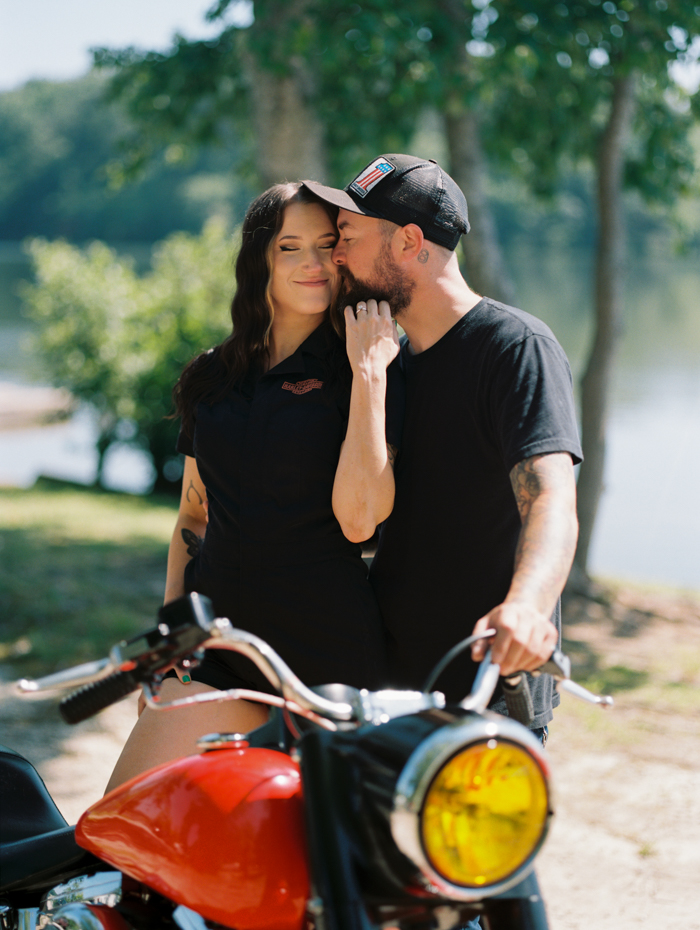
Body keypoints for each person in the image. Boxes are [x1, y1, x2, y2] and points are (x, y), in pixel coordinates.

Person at [106, 182, 402, 792]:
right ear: (259, 260)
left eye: (327, 245)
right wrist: (168, 646)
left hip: (328, 652)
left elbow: (361, 521)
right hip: (218, 645)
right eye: (291, 247)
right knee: (131, 819)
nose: (314, 264)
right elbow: (193, 516)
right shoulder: (210, 376)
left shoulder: (365, 364)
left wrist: (370, 377)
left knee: (313, 854)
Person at [302, 154, 582, 728]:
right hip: (388, 688)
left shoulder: (515, 347)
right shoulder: (389, 362)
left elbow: (551, 498)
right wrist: (368, 376)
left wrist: (527, 608)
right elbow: (360, 522)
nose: (336, 255)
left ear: (408, 241)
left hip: (490, 695)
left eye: (348, 235)